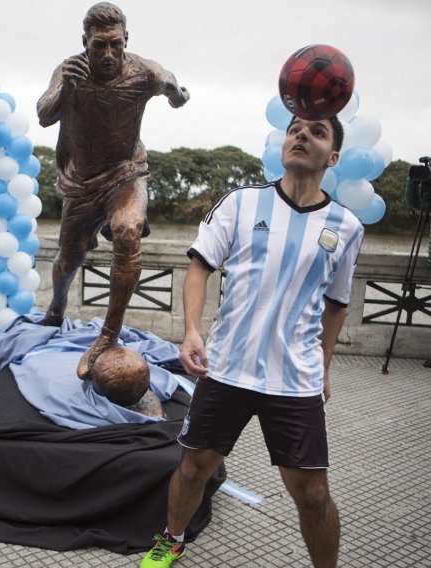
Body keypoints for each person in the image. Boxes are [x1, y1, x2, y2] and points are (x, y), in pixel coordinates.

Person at [140, 115, 364, 568]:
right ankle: (172, 539)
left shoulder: (347, 226)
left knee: (313, 492)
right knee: (193, 468)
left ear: (333, 156)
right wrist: (191, 330)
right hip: (226, 368)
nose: (301, 135)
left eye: (317, 131)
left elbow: (337, 305)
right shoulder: (240, 204)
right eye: (295, 128)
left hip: (294, 378)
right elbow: (200, 267)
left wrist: (322, 366)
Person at [36, 2, 190, 380]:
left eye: (115, 45)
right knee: (68, 258)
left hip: (126, 174)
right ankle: (56, 310)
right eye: (98, 45)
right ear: (85, 42)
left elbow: (174, 87)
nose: (107, 54)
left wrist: (177, 94)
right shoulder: (69, 69)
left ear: (126, 40)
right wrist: (67, 88)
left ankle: (108, 334)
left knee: (126, 232)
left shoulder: (146, 73)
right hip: (82, 182)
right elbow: (43, 114)